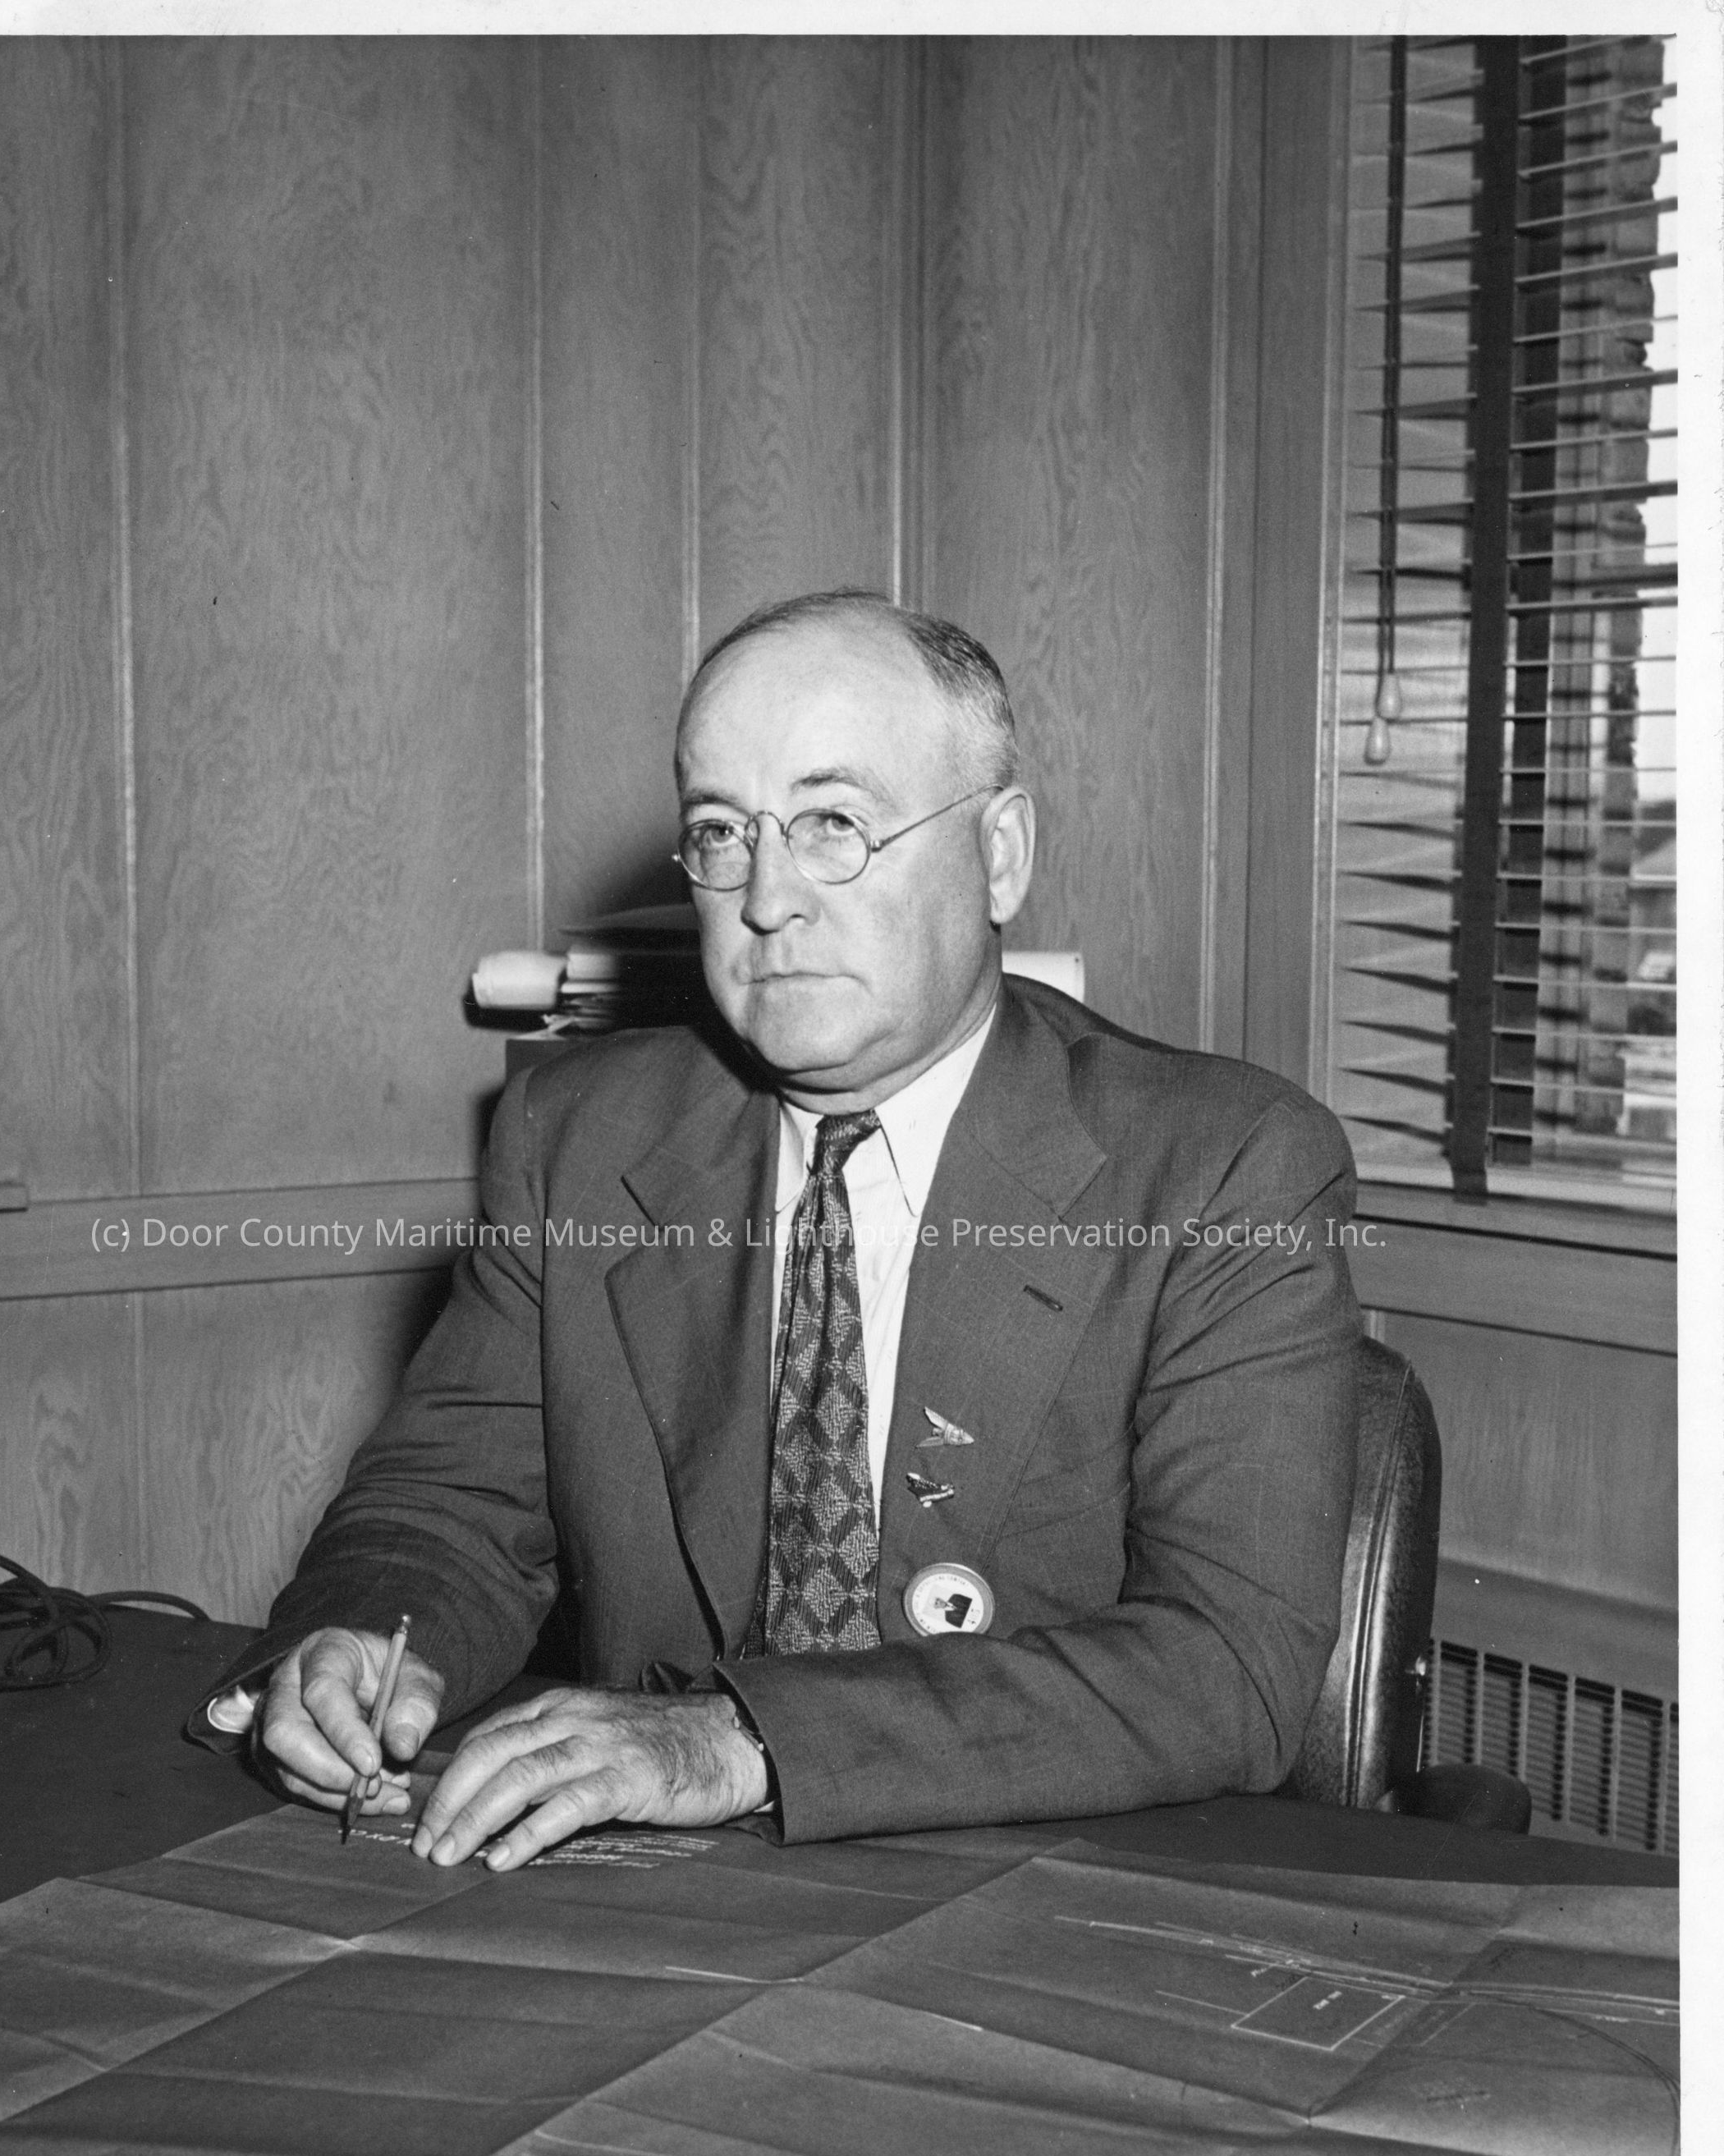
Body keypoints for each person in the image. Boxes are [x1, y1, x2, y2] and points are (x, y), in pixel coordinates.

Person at [196, 588, 1362, 1869]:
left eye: (833, 824)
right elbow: (448, 1505)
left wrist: (741, 1740)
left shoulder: (1225, 1166)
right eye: (720, 834)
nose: (765, 901)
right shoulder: (575, 1139)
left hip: (1042, 1884)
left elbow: (1227, 1659)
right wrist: (362, 1640)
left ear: (1001, 854)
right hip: (655, 1893)